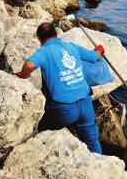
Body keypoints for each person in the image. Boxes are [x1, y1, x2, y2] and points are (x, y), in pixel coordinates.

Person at [14, 22, 103, 154]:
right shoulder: (72, 46)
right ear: (56, 34)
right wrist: (99, 50)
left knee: (42, 130)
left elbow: (29, 65)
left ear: (40, 39)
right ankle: (99, 164)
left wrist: (23, 75)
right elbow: (95, 57)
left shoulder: (44, 51)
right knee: (92, 141)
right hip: (86, 103)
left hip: (64, 109)